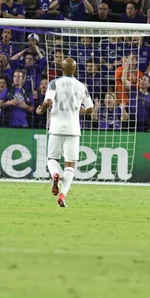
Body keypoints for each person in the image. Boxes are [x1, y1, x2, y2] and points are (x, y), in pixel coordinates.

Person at [36, 58, 93, 207]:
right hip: (73, 129)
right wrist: (81, 110)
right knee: (70, 165)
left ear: (62, 68)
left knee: (52, 159)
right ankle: (63, 195)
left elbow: (47, 102)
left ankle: (55, 175)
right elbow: (91, 108)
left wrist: (40, 110)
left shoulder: (54, 83)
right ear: (75, 70)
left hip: (56, 127)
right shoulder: (81, 86)